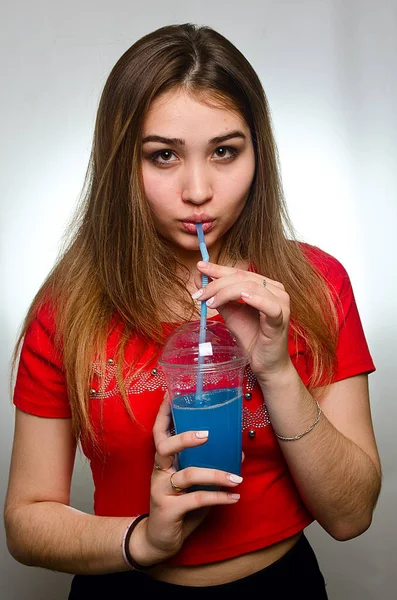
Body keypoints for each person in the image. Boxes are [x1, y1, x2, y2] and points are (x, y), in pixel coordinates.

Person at [4, 23, 381, 599]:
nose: (198, 189)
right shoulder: (68, 306)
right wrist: (143, 541)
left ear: (259, 153)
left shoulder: (315, 284)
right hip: (125, 586)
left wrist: (277, 369)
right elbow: (26, 522)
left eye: (225, 151)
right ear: (122, 163)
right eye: (163, 156)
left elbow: (352, 517)